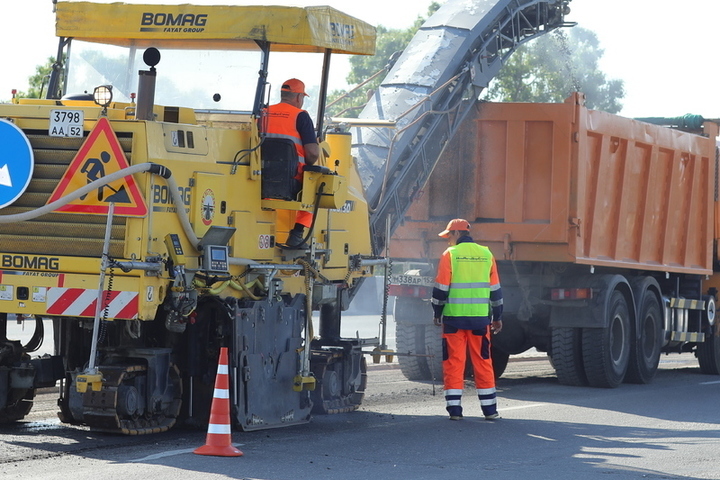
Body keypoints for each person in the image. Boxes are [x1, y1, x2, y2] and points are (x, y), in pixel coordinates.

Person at [431, 218, 503, 421]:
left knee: (453, 362)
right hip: (480, 321)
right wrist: (497, 317)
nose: (448, 241)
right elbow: (495, 291)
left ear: (456, 234)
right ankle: (490, 411)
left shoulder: (450, 255)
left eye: (448, 237)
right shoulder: (486, 254)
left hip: (454, 320)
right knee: (483, 362)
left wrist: (437, 312)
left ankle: (455, 411)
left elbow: (441, 289)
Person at [263, 78, 320, 248]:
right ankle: (297, 234)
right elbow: (312, 154)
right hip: (291, 182)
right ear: (298, 97)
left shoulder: (263, 112)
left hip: (261, 179)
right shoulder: (300, 116)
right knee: (318, 188)